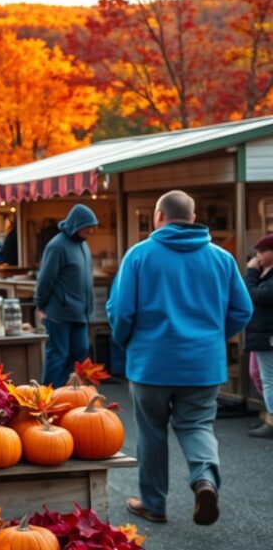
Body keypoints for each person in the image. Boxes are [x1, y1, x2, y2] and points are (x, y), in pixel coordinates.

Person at [108, 190, 251, 526]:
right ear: (193, 216)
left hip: (150, 364)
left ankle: (153, 504)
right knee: (198, 426)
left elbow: (120, 311)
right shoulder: (222, 258)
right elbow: (242, 309)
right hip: (203, 366)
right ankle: (205, 481)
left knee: (152, 434)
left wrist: (128, 342)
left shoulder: (139, 256)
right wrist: (214, 337)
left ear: (159, 216)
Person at [34, 204, 98, 388]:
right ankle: (50, 395)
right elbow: (45, 279)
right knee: (58, 355)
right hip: (59, 313)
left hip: (80, 313)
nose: (91, 230)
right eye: (88, 226)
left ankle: (70, 391)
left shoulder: (83, 245)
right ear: (77, 225)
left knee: (81, 352)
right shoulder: (57, 246)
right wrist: (41, 306)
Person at [244, 234, 273, 438]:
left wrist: (252, 273)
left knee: (268, 378)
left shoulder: (263, 276)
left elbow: (256, 296)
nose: (258, 256)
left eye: (263, 251)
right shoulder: (266, 273)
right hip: (260, 333)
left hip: (267, 334)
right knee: (257, 374)